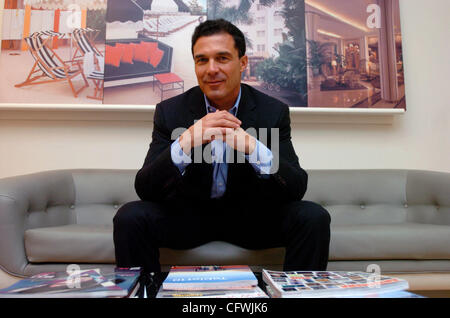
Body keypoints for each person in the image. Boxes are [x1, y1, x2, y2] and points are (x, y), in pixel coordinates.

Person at [113, 19, 330, 273]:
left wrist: (253, 147)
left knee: (313, 217)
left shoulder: (272, 112)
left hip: (251, 220)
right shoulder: (170, 112)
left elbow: (295, 188)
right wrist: (185, 142)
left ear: (243, 63)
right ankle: (143, 292)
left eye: (222, 58)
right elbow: (146, 189)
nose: (211, 69)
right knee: (129, 216)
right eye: (202, 60)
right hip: (187, 219)